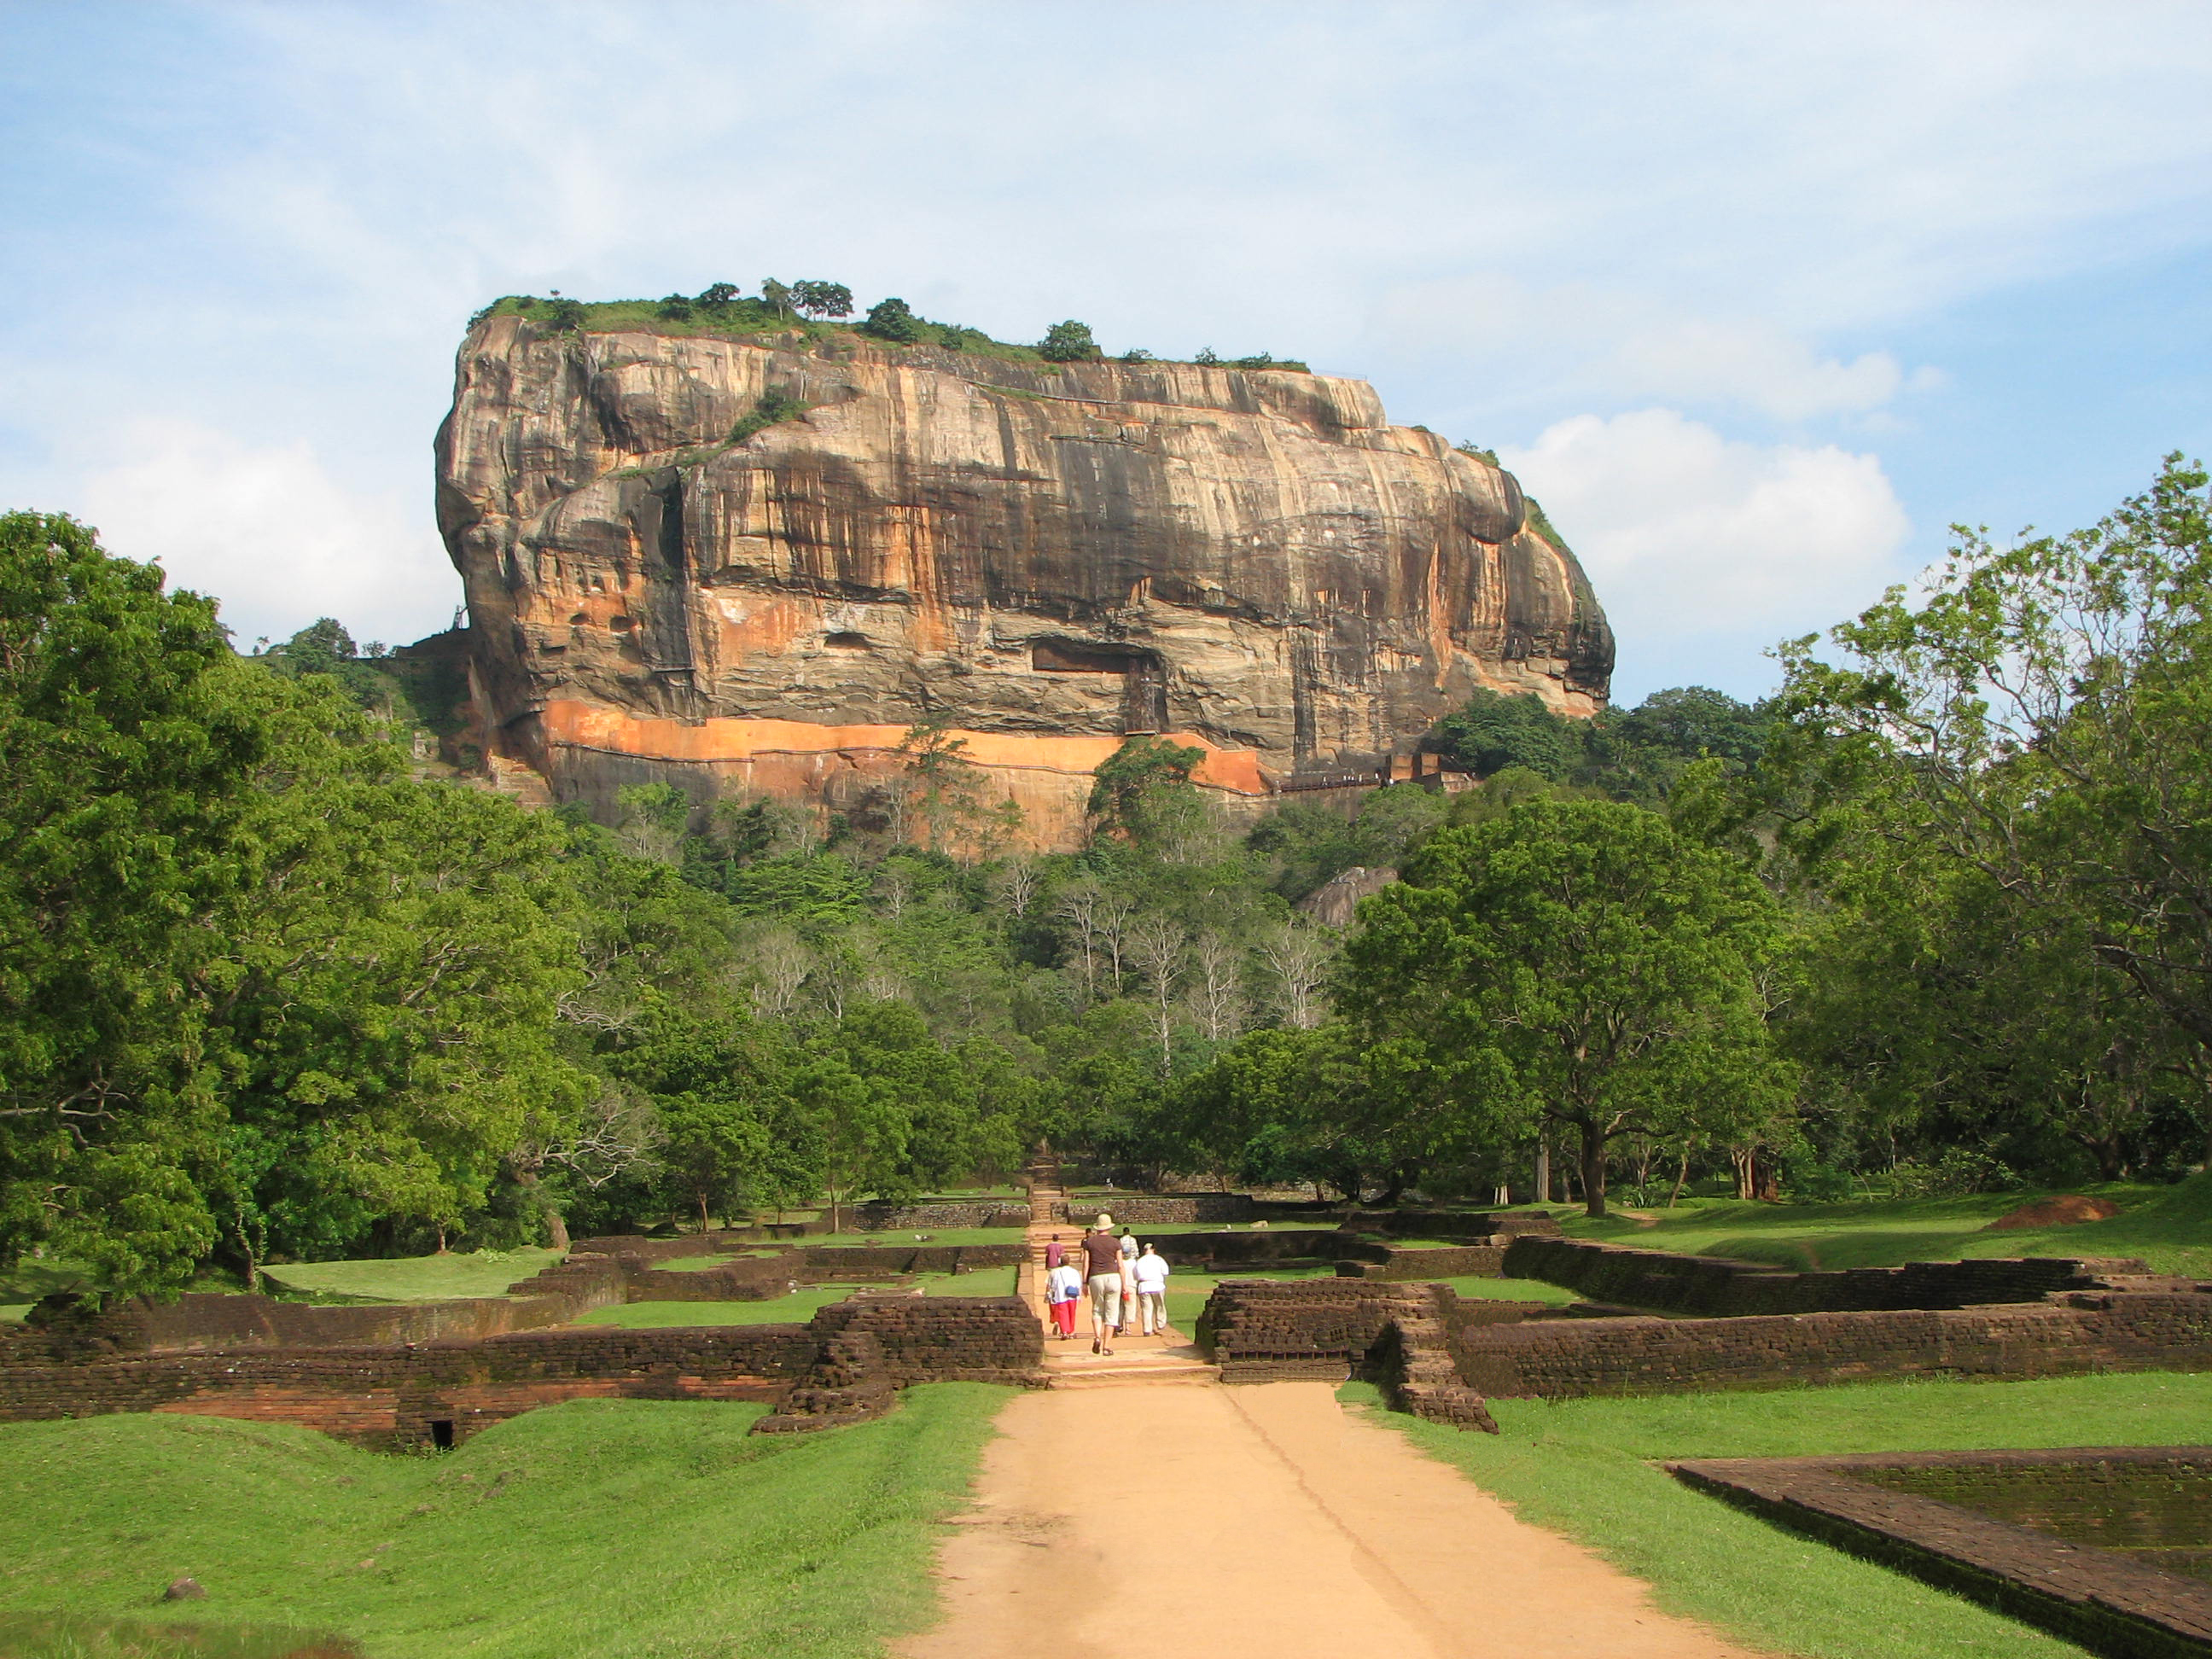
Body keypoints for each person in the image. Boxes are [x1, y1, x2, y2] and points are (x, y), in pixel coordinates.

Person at [1080, 1213, 1123, 1355]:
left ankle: (1098, 1337)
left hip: (1095, 1277)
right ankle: (1107, 1346)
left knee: (1097, 1309)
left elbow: (1086, 1264)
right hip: (1113, 1277)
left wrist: (1084, 1282)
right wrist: (1124, 1284)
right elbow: (1121, 1265)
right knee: (1112, 1313)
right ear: (1109, 1227)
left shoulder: (1089, 1242)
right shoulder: (1115, 1242)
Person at [1131, 1241, 1171, 1336]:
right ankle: (1160, 1324)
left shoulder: (1140, 1261)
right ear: (1153, 1250)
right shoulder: (1159, 1259)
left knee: (1146, 1309)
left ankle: (1147, 1329)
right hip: (1157, 1285)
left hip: (1144, 1286)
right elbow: (1166, 1272)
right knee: (1159, 1306)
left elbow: (1135, 1276)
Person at [1045, 1254, 1083, 1340]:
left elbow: (1054, 1285)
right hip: (1072, 1295)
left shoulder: (1057, 1272)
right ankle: (1071, 1332)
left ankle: (1064, 1332)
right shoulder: (1074, 1272)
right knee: (1071, 1314)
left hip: (1061, 1295)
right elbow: (1078, 1284)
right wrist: (1079, 1297)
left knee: (1063, 1314)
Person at [1117, 1225, 1140, 1336]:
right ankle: (1128, 1328)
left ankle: (1119, 1324)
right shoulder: (1133, 1262)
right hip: (1131, 1285)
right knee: (1130, 1307)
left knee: (1120, 1306)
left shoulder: (1119, 1262)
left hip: (1121, 1286)